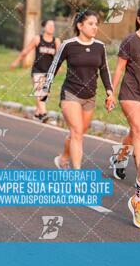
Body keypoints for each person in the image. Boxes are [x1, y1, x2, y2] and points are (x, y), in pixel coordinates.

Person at [42, 10, 115, 170]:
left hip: (90, 96)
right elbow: (54, 66)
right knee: (76, 132)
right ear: (80, 26)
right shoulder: (68, 45)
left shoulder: (99, 46)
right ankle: (77, 174)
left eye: (96, 24)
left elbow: (104, 70)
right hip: (70, 94)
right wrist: (46, 87)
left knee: (78, 133)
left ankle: (63, 158)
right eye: (91, 24)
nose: (95, 27)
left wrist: (110, 91)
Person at [110, 5, 140, 227]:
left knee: (134, 132)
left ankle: (119, 158)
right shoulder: (130, 41)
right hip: (130, 94)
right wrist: (111, 93)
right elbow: (120, 69)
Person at [10, 19, 61, 122]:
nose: (51, 27)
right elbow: (26, 51)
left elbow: (59, 57)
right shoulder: (38, 39)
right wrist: (16, 61)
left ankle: (37, 114)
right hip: (37, 70)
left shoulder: (56, 41)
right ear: (44, 27)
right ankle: (44, 114)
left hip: (49, 72)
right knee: (39, 92)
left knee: (45, 94)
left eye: (53, 25)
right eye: (49, 25)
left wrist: (59, 67)